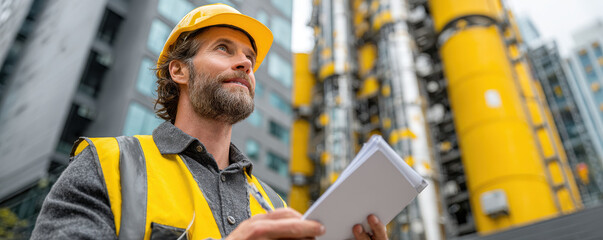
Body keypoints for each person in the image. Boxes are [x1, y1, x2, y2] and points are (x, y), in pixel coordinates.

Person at [32, 3, 387, 240]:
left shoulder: (274, 205)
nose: (246, 64)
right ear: (179, 70)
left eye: (249, 56)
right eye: (223, 48)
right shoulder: (108, 164)